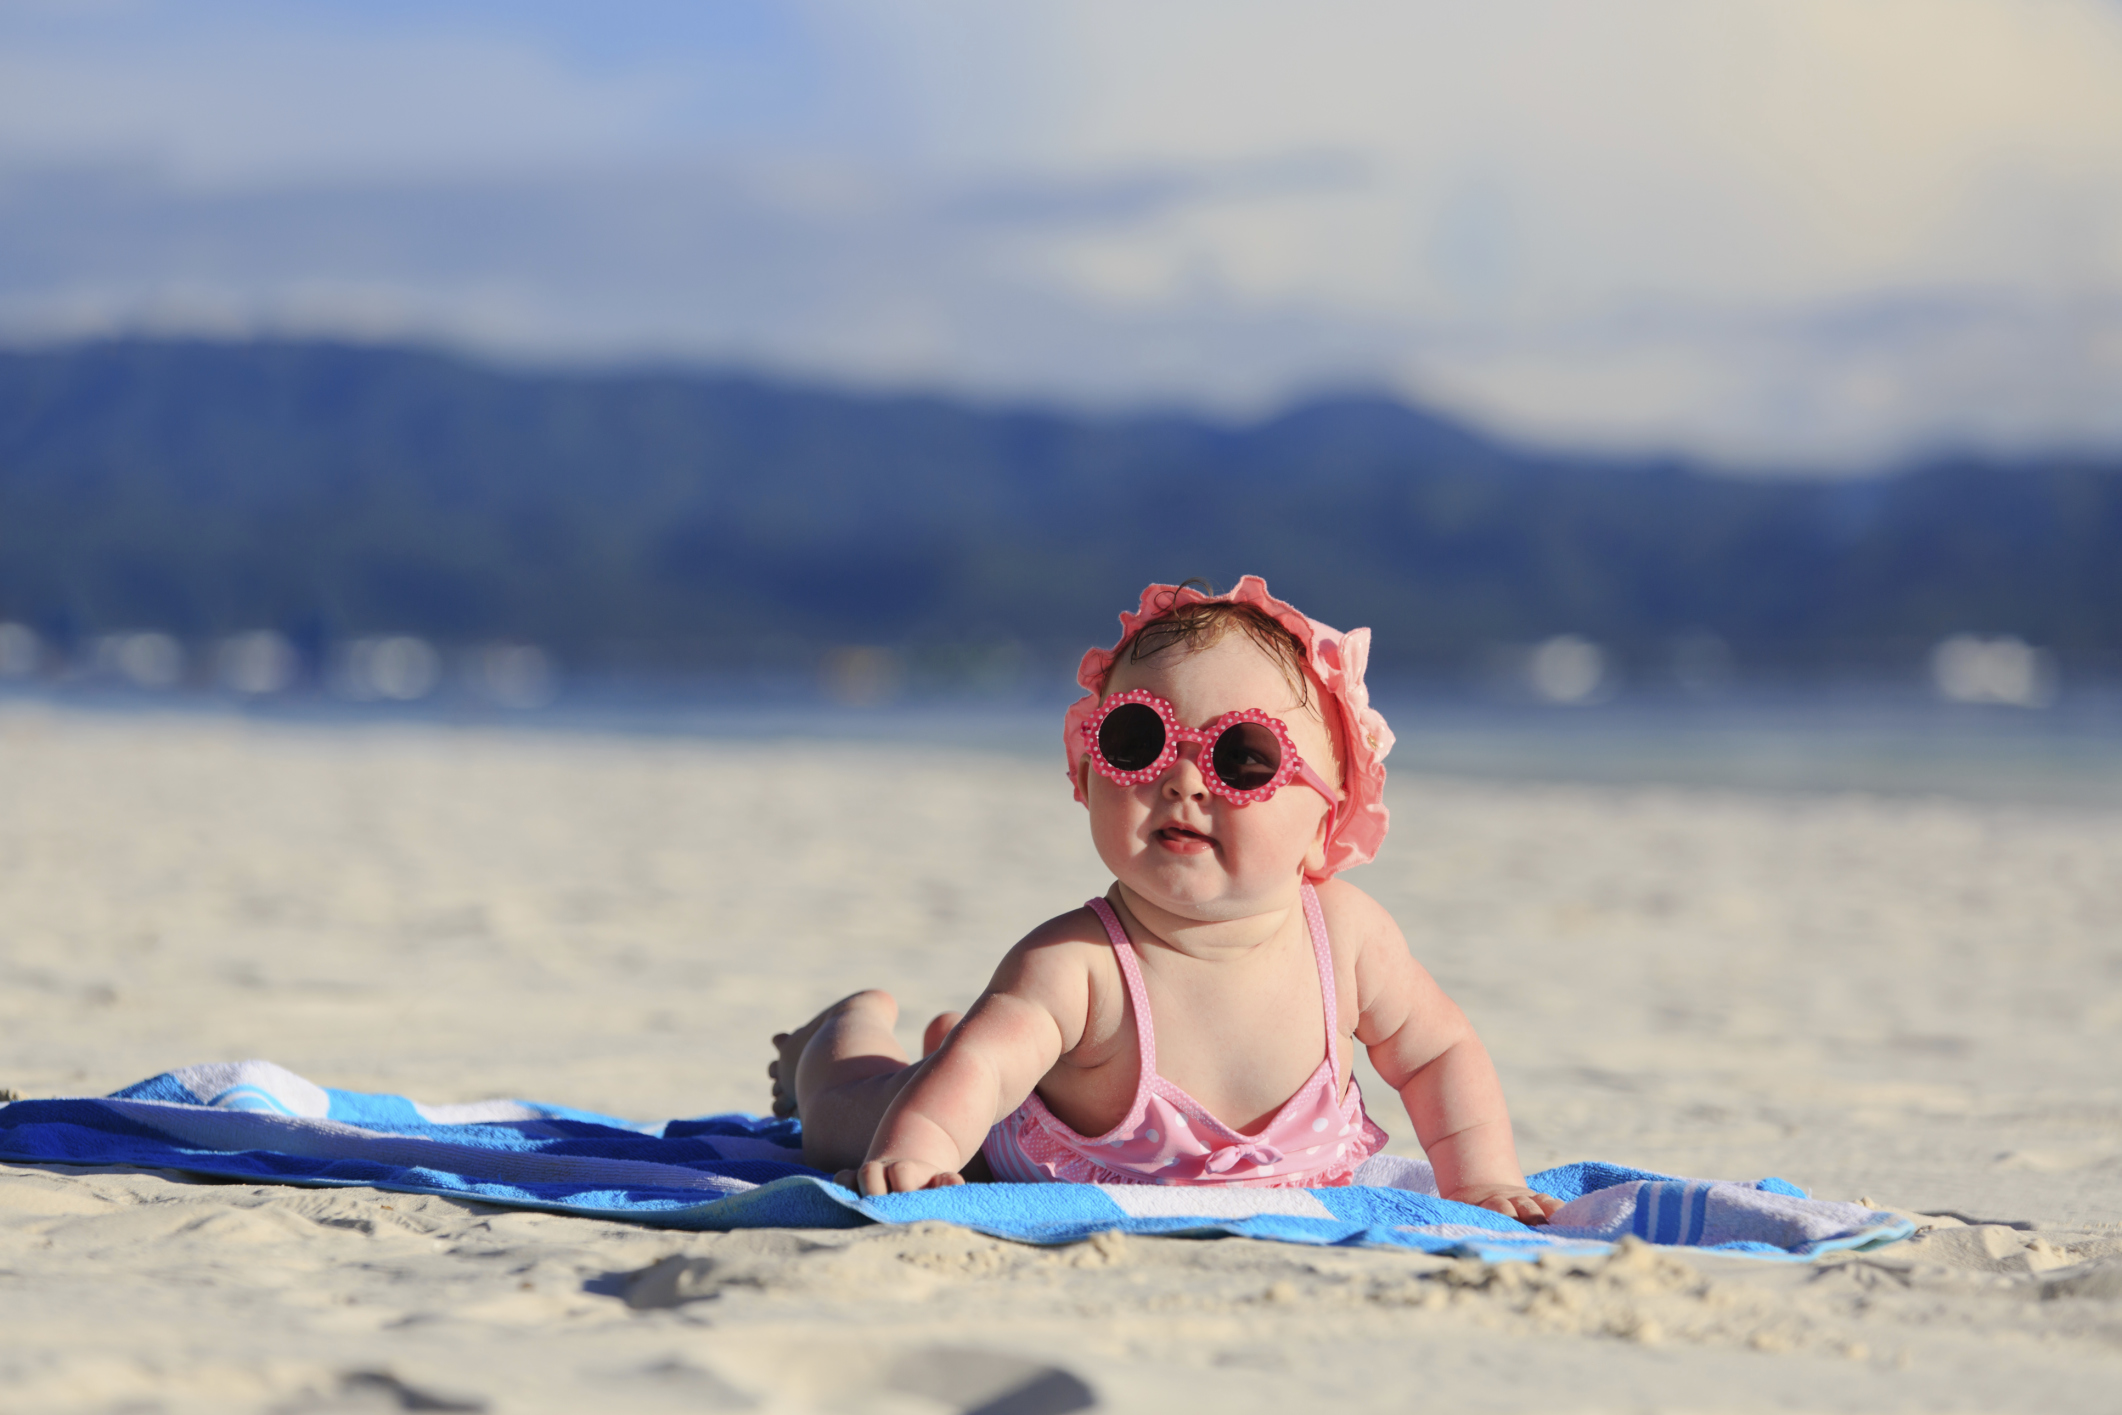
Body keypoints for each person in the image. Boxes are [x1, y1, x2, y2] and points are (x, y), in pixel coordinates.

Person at [768, 577, 1562, 1222]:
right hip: (1007, 1124)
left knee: (974, 1053)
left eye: (1243, 759)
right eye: (1138, 741)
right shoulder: (1077, 961)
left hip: (1047, 1080)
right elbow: (979, 1068)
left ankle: (944, 1041)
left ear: (1327, 824)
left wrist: (1480, 1179)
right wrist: (929, 1150)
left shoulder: (1348, 939)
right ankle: (834, 1041)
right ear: (1086, 776)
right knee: (856, 1120)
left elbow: (1437, 1053)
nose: (1182, 780)